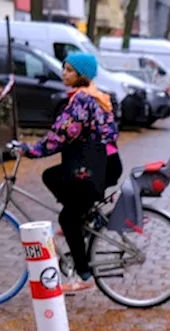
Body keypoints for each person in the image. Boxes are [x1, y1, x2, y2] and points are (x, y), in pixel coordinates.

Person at [19, 53, 119, 285]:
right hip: (105, 164)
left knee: (68, 217)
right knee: (52, 176)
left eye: (70, 70)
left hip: (94, 168)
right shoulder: (97, 96)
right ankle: (88, 215)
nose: (64, 73)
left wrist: (31, 150)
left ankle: (83, 270)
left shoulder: (82, 101)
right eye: (64, 69)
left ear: (81, 75)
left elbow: (61, 135)